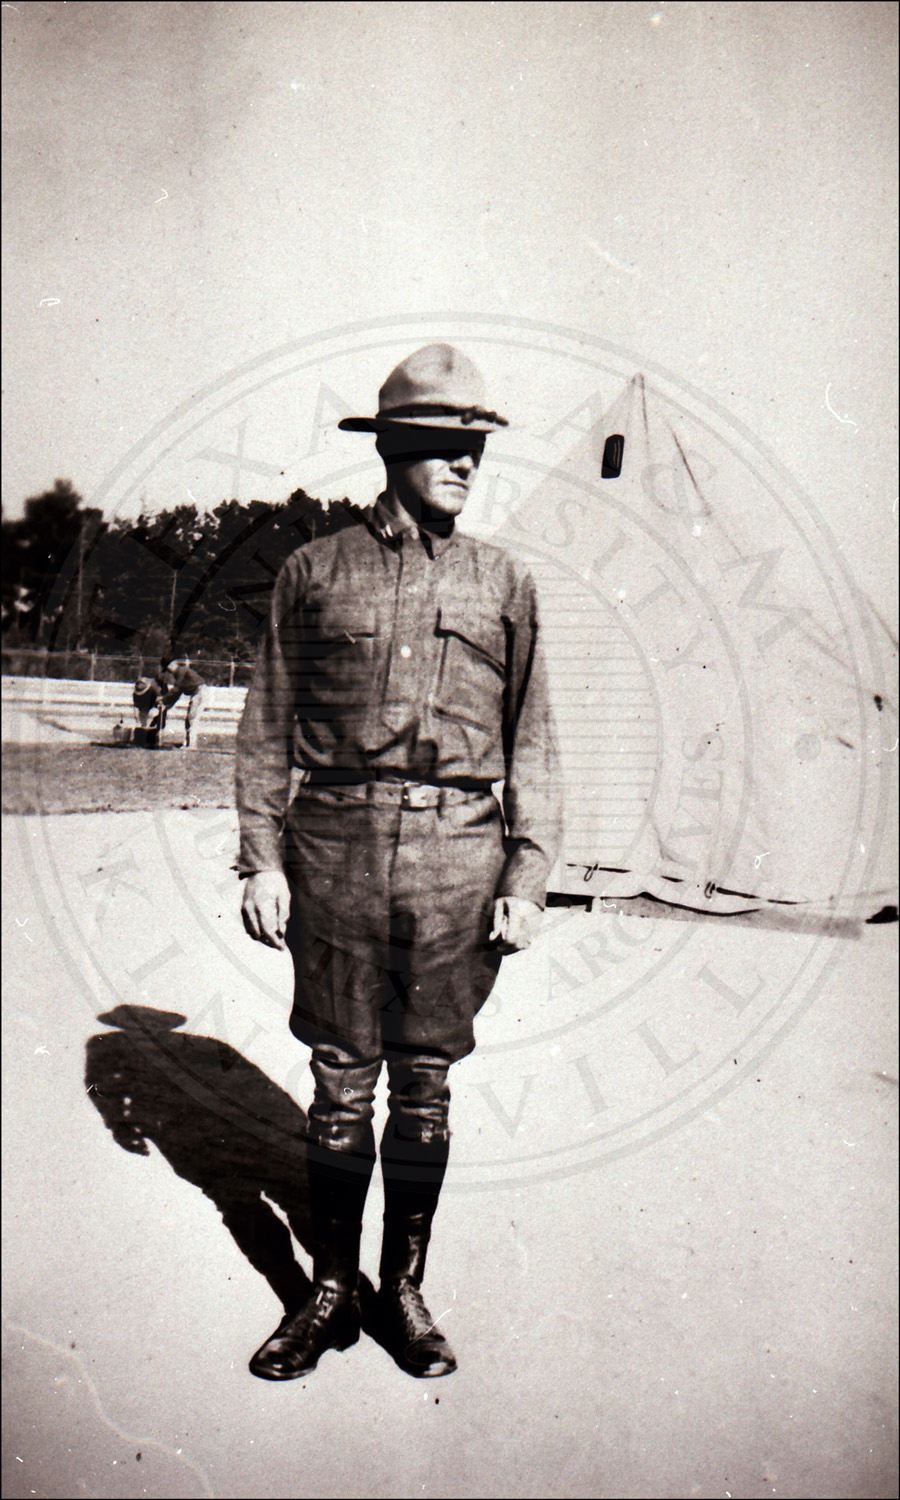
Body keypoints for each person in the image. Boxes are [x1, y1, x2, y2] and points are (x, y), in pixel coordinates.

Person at [235, 343, 562, 1384]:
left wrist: (526, 877)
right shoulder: (314, 572)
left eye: (478, 445)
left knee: (424, 1087)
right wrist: (260, 860)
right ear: (392, 448)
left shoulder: (504, 581)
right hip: (332, 851)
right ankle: (330, 1290)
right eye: (443, 442)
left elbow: (534, 743)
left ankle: (403, 1290)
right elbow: (266, 728)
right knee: (342, 1084)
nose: (467, 461)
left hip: (459, 860)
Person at [160, 656, 209, 748]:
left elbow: (176, 689)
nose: (169, 672)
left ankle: (191, 745)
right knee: (189, 719)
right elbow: (177, 693)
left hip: (200, 692)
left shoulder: (181, 671)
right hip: (196, 693)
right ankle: (187, 743)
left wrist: (163, 700)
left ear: (171, 665)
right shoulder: (179, 673)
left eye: (168, 669)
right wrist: (166, 706)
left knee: (192, 718)